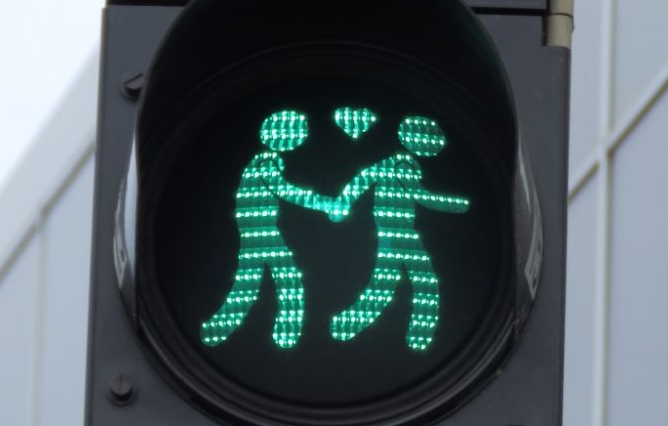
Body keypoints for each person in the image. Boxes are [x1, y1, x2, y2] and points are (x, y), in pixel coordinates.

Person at [200, 109, 344, 349]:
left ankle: (220, 330)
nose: (302, 136)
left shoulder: (263, 161)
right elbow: (285, 190)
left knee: (251, 284)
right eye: (298, 132)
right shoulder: (266, 161)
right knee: (283, 280)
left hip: (258, 231)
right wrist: (322, 203)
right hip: (261, 232)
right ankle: (285, 334)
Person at [330, 115, 470, 351]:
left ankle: (347, 325)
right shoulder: (404, 165)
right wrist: (456, 205)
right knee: (422, 282)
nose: (438, 142)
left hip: (391, 231)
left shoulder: (390, 162)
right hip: (399, 233)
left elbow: (361, 180)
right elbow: (421, 197)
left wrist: (342, 203)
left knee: (388, 284)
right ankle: (417, 333)